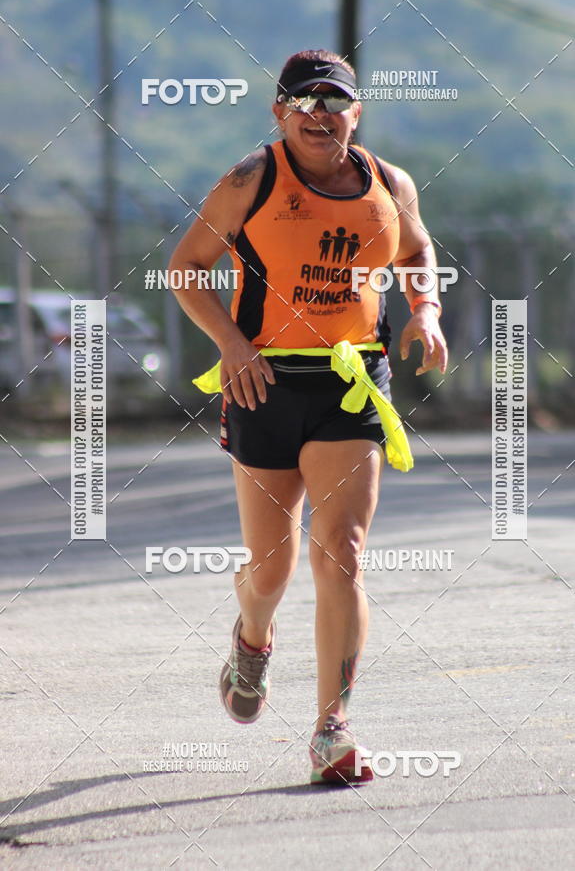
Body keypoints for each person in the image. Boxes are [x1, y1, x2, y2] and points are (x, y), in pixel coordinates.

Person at [168, 49, 448, 785]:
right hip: (263, 383)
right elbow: (186, 268)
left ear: (358, 112)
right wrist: (230, 344)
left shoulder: (390, 184)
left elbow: (419, 251)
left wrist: (427, 309)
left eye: (335, 102)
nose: (320, 115)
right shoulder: (250, 180)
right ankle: (252, 640)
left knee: (343, 553)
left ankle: (333, 727)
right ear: (279, 112)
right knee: (270, 570)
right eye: (305, 102)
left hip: (351, 383)